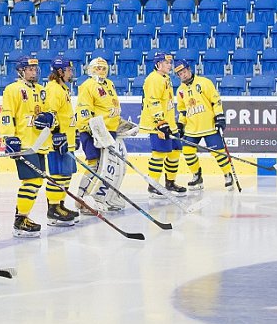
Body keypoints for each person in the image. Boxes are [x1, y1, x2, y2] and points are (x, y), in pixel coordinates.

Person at [0, 56, 55, 237]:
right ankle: (20, 220)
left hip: (39, 143)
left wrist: (49, 119)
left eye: (35, 69)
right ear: (21, 71)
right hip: (24, 143)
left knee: (37, 182)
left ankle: (22, 217)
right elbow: (7, 115)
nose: (33, 72)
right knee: (31, 181)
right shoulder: (13, 89)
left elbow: (49, 114)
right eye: (29, 69)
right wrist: (9, 138)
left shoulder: (41, 90)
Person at [74, 57, 133, 212]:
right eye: (97, 68)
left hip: (109, 133)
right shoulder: (87, 86)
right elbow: (83, 109)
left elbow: (110, 109)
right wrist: (90, 129)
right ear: (91, 70)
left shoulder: (109, 84)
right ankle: (82, 200)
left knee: (110, 167)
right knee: (95, 165)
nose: (101, 71)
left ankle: (105, 198)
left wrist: (120, 123)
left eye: (103, 68)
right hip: (94, 133)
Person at [172, 59, 234, 190]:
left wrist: (219, 116)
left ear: (189, 70)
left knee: (219, 153)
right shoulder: (180, 91)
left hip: (209, 125)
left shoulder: (204, 83)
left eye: (184, 71)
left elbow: (216, 101)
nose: (183, 75)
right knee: (188, 152)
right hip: (192, 128)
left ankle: (227, 174)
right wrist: (181, 124)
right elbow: (183, 111)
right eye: (179, 74)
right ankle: (197, 177)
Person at [139, 52, 186, 196]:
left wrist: (175, 123)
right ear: (158, 64)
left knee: (175, 152)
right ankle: (153, 185)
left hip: (169, 123)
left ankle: (170, 183)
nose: (170, 65)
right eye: (166, 63)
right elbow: (153, 101)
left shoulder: (165, 78)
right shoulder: (153, 79)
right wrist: (161, 122)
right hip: (158, 124)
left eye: (170, 63)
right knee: (159, 154)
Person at [43, 57, 80, 225]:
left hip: (67, 140)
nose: (71, 73)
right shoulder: (53, 89)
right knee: (57, 175)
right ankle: (53, 208)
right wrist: (57, 133)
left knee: (66, 175)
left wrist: (75, 133)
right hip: (57, 141)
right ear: (60, 72)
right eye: (68, 70)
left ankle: (61, 205)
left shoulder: (62, 88)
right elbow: (50, 114)